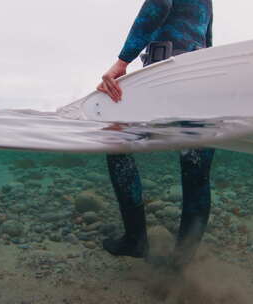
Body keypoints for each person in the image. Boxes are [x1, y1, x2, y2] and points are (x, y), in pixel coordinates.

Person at [97, 0, 215, 267]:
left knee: (117, 142)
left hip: (167, 77)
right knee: (196, 171)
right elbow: (207, 38)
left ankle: (135, 239)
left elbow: (159, 4)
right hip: (204, 78)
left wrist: (122, 61)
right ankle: (181, 265)